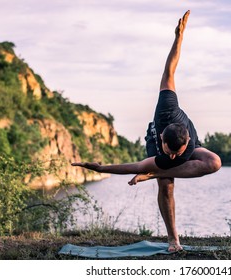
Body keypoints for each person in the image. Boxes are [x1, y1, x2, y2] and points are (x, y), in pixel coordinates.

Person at [72, 10, 221, 252]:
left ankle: (155, 174)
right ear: (164, 139)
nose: (172, 157)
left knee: (214, 162)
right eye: (169, 153)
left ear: (187, 143)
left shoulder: (187, 144)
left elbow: (179, 158)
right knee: (167, 184)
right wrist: (101, 168)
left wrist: (151, 172)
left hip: (181, 140)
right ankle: (174, 240)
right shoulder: (165, 110)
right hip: (154, 142)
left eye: (177, 154)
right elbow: (169, 70)